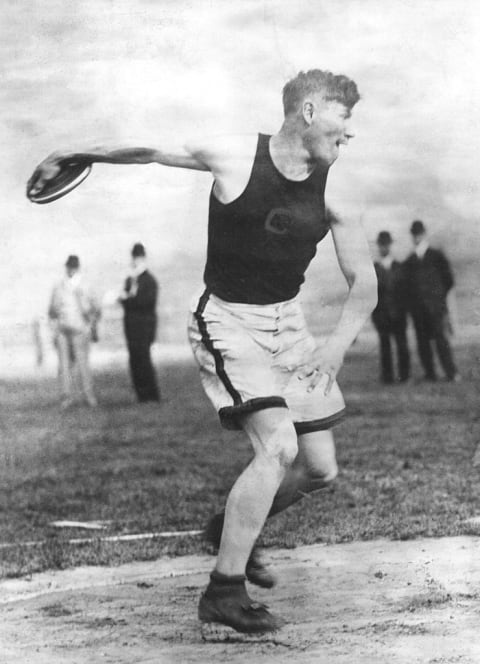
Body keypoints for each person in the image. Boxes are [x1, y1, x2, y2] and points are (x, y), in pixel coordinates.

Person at [28, 69, 377, 634]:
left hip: (288, 326)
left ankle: (229, 528)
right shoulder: (238, 155)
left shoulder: (338, 189)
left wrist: (335, 349)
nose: (350, 132)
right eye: (345, 116)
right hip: (229, 319)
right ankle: (223, 590)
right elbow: (150, 151)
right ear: (309, 111)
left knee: (320, 469)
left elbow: (365, 283)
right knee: (278, 447)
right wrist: (77, 151)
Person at [403, 220, 459, 382]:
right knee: (422, 342)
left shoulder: (436, 255)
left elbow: (449, 280)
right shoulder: (410, 260)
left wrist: (438, 297)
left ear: (424, 234)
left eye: (419, 233)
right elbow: (407, 286)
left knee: (441, 340)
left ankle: (451, 373)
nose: (416, 237)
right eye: (414, 234)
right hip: (418, 310)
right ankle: (430, 374)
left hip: (435, 308)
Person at [48, 255, 101, 408]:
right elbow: (51, 310)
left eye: (73, 267)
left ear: (77, 268)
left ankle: (89, 397)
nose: (71, 269)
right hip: (63, 332)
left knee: (83, 365)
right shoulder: (59, 286)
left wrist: (90, 324)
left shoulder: (86, 286)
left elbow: (96, 309)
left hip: (80, 331)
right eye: (69, 267)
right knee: (64, 366)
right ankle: (66, 398)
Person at [119, 242, 160, 402]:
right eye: (134, 258)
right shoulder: (130, 281)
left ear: (143, 259)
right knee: (134, 360)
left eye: (138, 258)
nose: (135, 261)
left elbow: (146, 303)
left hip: (144, 327)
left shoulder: (149, 280)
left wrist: (127, 299)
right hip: (131, 326)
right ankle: (141, 395)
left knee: (143, 359)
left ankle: (151, 394)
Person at [371, 231, 410, 384]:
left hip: (399, 314)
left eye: (386, 244)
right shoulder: (374, 269)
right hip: (382, 315)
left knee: (402, 346)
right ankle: (387, 377)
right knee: (385, 346)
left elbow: (406, 292)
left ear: (390, 246)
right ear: (379, 246)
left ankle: (404, 376)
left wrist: (405, 311)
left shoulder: (399, 267)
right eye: (381, 245)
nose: (384, 247)